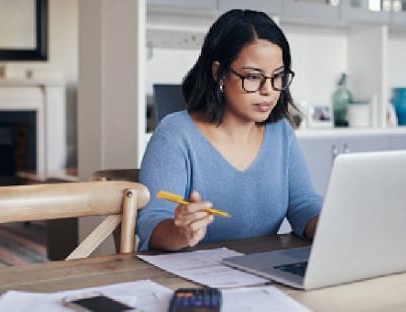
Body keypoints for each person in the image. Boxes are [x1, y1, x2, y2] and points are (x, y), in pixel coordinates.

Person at [137, 9, 322, 252]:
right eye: (254, 77)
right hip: (188, 281)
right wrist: (179, 231)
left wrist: (331, 224)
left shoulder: (281, 133)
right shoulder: (176, 134)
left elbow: (303, 205)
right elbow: (151, 223)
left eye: (278, 76)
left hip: (259, 275)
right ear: (219, 73)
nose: (268, 90)